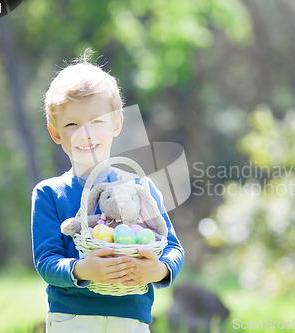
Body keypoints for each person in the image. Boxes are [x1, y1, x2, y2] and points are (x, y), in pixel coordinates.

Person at [31, 50, 184, 333]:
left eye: (97, 121)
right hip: (72, 319)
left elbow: (173, 247)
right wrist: (81, 269)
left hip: (131, 318)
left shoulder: (140, 187)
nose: (85, 133)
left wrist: (159, 270)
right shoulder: (50, 193)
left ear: (117, 124)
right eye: (71, 124)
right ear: (56, 133)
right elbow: (46, 260)